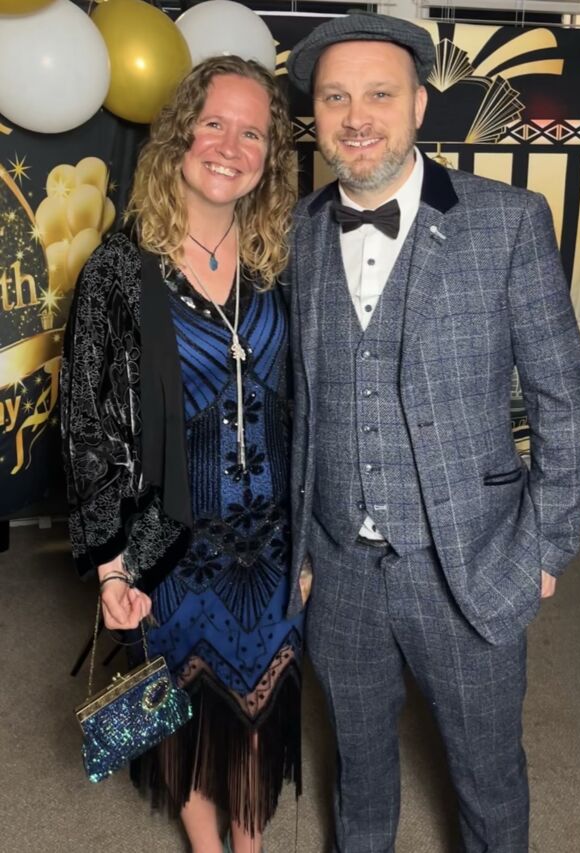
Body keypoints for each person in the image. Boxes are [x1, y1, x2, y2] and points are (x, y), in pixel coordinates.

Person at [285, 13, 580, 853]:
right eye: (335, 97)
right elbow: (293, 403)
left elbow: (562, 395)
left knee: (487, 772)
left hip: (472, 558)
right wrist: (296, 546)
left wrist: (547, 545)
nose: (357, 117)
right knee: (357, 762)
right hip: (337, 567)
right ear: (315, 114)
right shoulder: (295, 231)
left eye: (379, 95)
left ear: (419, 104)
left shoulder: (507, 219)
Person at [61, 56, 301, 853]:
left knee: (262, 704)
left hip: (272, 542)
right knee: (181, 708)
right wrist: (112, 569)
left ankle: (250, 842)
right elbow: (87, 426)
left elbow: (307, 405)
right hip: (168, 543)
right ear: (178, 136)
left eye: (252, 133)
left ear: (271, 156)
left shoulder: (278, 260)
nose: (231, 146)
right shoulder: (119, 269)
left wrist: (313, 540)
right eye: (214, 124)